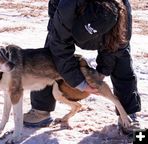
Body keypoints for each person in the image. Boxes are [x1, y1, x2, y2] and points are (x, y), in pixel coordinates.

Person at [23, 0, 142, 134]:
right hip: (67, 20)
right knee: (50, 55)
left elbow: (115, 49)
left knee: (122, 60)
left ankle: (128, 113)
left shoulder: (122, 15)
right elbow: (60, 50)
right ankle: (41, 110)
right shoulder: (66, 8)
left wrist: (101, 74)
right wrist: (79, 83)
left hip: (110, 28)